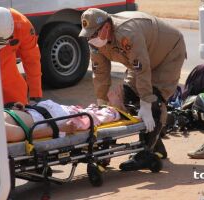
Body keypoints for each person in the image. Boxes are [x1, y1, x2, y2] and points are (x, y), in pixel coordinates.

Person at [79, 8, 187, 170]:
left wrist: (145, 103)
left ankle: (145, 154)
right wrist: (102, 102)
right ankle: (154, 145)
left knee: (153, 101)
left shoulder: (127, 33)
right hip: (142, 57)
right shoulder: (95, 41)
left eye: (93, 34)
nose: (90, 39)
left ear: (106, 27)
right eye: (88, 35)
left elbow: (142, 69)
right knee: (127, 96)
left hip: (167, 54)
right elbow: (100, 72)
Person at [5, 99, 121, 143]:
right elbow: (31, 134)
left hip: (42, 111)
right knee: (92, 116)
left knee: (88, 114)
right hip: (54, 117)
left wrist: (15, 109)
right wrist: (61, 129)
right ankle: (115, 110)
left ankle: (114, 109)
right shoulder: (2, 131)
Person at [0, 7, 42, 105]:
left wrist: (35, 94)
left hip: (10, 77)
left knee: (19, 108)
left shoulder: (23, 25)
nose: (1, 44)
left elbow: (32, 60)